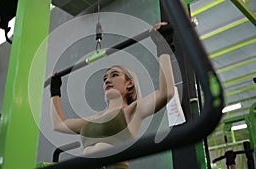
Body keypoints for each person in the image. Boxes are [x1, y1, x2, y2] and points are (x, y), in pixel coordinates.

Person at [49, 22, 175, 169]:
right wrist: (55, 89)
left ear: (130, 84)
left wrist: (163, 47)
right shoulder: (92, 119)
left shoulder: (132, 111)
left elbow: (166, 92)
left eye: (114, 75)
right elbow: (58, 124)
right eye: (105, 78)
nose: (107, 80)